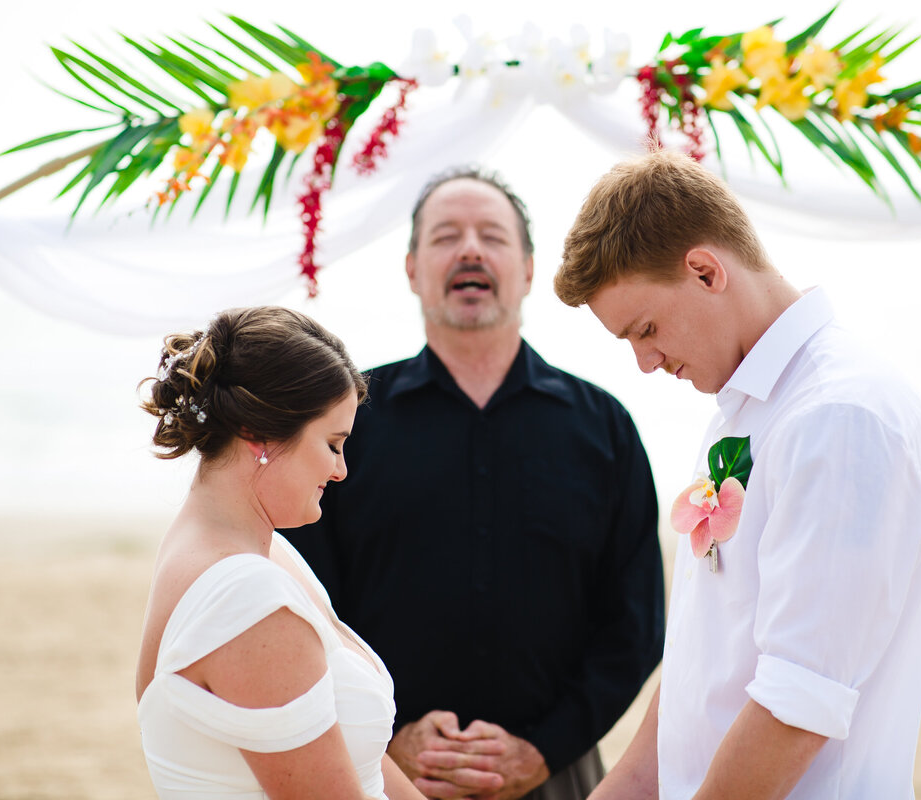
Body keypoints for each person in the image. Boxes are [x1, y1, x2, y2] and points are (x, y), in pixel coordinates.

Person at [553, 150, 921, 799]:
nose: (645, 363)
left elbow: (798, 703)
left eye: (646, 329)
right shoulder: (751, 409)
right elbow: (699, 667)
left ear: (706, 271)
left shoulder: (839, 418)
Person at [281, 167, 665, 800]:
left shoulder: (604, 428)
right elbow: (304, 609)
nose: (469, 249)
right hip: (379, 772)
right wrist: (386, 738)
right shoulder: (347, 423)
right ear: (411, 269)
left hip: (556, 774)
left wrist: (543, 749)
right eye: (445, 236)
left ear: (529, 268)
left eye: (491, 235)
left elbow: (637, 624)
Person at [134, 306, 425, 800]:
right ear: (258, 434)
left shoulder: (250, 552)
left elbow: (360, 767)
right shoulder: (245, 599)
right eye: (333, 444)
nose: (341, 471)